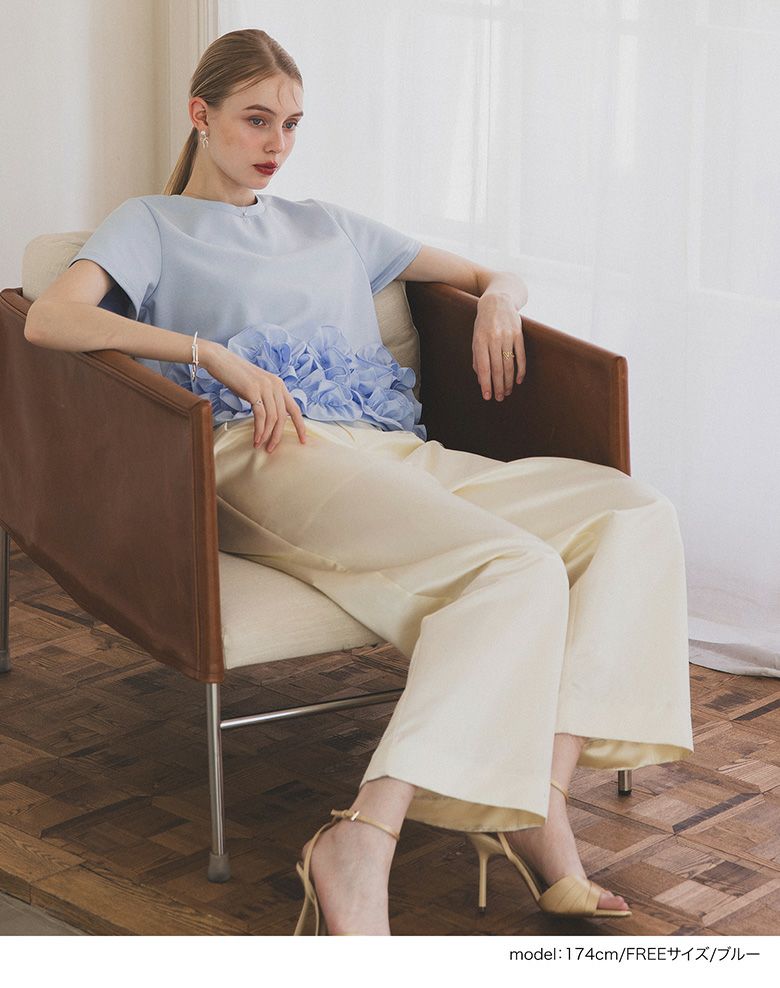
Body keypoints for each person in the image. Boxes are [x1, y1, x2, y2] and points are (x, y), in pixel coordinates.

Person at [25, 29, 694, 936]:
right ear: (201, 115)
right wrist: (209, 353)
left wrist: (501, 300)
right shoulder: (150, 222)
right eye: (256, 120)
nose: (277, 143)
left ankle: (536, 799)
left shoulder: (329, 224)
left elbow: (490, 271)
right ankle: (363, 837)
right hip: (267, 450)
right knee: (516, 567)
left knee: (636, 514)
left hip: (389, 449)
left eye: (292, 124)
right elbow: (50, 321)